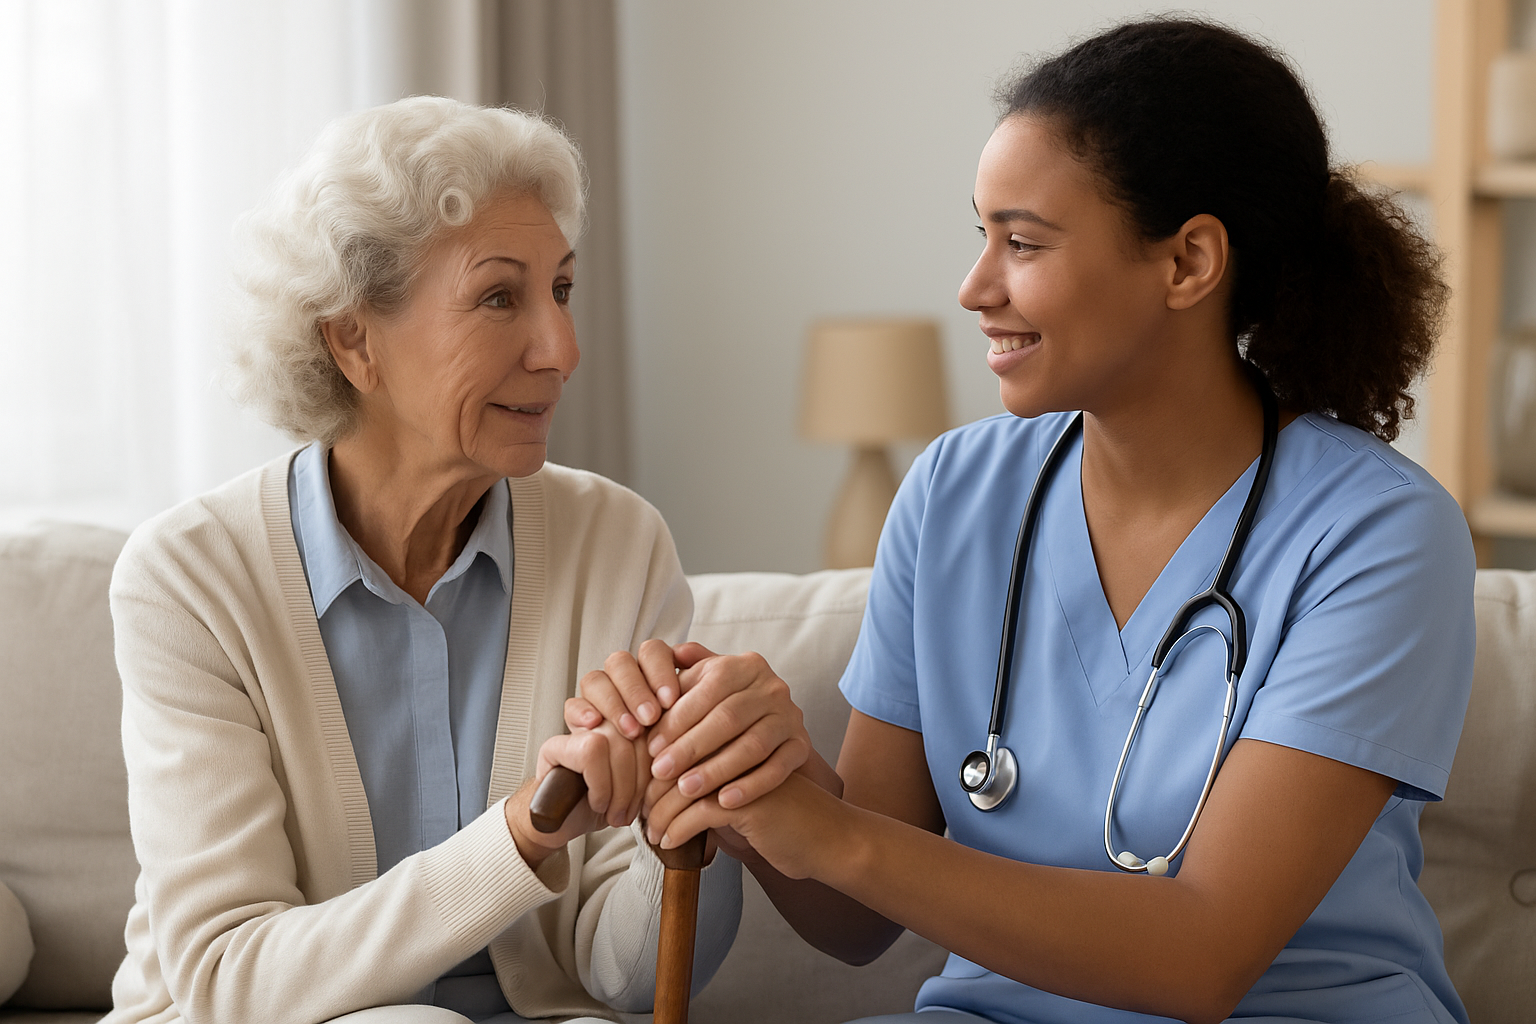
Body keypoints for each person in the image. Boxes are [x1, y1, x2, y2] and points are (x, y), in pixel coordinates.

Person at [573, 19, 1475, 1024]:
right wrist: (749, 769)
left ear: (1188, 262)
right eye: (982, 235)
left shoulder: (1378, 535)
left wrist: (833, 833)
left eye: (1024, 242)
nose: (975, 288)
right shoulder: (953, 492)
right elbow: (853, 917)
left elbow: (1202, 955)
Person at [100, 97, 779, 1024]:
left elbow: (622, 978)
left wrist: (693, 806)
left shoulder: (617, 542)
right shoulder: (188, 580)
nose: (563, 349)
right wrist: (525, 833)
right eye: (500, 298)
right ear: (353, 339)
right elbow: (231, 978)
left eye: (562, 290)